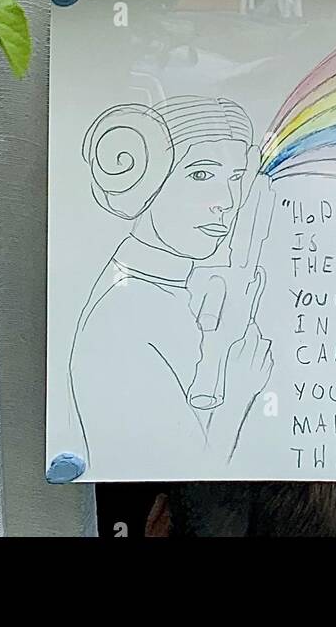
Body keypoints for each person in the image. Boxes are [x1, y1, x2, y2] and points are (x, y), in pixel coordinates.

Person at [69, 96, 272, 477]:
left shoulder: (175, 288)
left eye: (235, 178)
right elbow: (188, 470)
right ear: (147, 180)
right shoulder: (126, 309)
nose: (227, 202)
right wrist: (239, 389)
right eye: (200, 174)